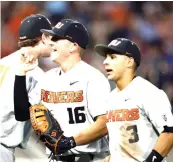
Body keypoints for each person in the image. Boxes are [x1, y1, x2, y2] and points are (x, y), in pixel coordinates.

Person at [14, 19, 110, 162]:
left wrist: (70, 142)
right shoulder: (47, 78)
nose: (51, 42)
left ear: (73, 46)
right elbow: (22, 114)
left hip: (88, 158)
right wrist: (21, 73)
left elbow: (104, 123)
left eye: (57, 38)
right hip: (56, 158)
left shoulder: (93, 78)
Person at [94, 38, 173, 162]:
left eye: (112, 57)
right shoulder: (111, 97)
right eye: (106, 57)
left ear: (129, 62)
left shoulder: (149, 93)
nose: (105, 62)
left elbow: (169, 133)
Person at [0, 14, 52, 162]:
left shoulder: (4, 62)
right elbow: (25, 114)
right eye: (51, 37)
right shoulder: (34, 73)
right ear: (44, 37)